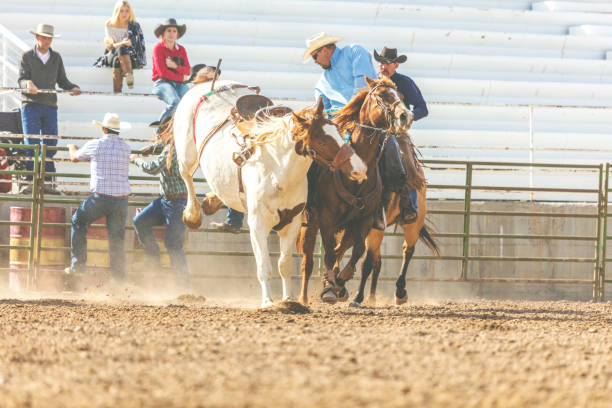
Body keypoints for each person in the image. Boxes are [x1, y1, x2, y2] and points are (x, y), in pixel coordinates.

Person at [302, 32, 411, 224]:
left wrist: (348, 115)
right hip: (338, 127)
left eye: (314, 56)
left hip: (366, 121)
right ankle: (309, 205)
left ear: (325, 50)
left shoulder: (355, 53)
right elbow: (322, 108)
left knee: (391, 149)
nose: (315, 62)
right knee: (312, 155)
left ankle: (399, 202)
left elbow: (362, 88)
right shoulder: (321, 83)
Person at [64, 113, 131, 282]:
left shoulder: (95, 145)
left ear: (103, 129)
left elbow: (74, 157)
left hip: (100, 198)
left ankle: (78, 266)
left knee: (78, 221)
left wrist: (71, 146)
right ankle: (118, 279)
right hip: (121, 199)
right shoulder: (126, 148)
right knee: (117, 239)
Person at [18, 23, 81, 194]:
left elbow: (62, 80)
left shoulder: (56, 58)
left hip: (49, 105)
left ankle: (48, 183)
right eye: (44, 37)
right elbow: (22, 80)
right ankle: (30, 181)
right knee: (32, 143)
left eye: (49, 38)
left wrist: (72, 87)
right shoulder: (27, 56)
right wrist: (28, 84)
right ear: (37, 37)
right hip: (30, 104)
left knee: (50, 143)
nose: (46, 41)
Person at [130, 121, 190, 288]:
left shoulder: (173, 150)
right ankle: (155, 260)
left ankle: (183, 285)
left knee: (173, 244)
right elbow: (161, 151)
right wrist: (151, 149)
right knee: (140, 221)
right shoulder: (174, 147)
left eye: (161, 131)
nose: (158, 134)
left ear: (169, 132)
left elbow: (153, 168)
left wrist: (136, 160)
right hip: (168, 200)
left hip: (176, 203)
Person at [375, 46, 429, 224]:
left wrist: (410, 115)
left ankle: (409, 205)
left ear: (396, 65)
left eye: (388, 64)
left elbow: (422, 107)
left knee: (407, 161)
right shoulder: (372, 82)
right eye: (382, 63)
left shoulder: (404, 82)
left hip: (397, 133)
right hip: (373, 132)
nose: (384, 67)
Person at [94, 0, 146, 93]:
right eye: (121, 11)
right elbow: (110, 46)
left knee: (117, 59)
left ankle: (117, 91)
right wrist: (122, 43)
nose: (124, 13)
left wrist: (129, 43)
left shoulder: (134, 25)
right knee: (120, 48)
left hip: (130, 58)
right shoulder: (109, 24)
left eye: (127, 11)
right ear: (117, 11)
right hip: (111, 54)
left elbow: (137, 44)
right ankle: (129, 74)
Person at [151, 18, 190, 127]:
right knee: (175, 102)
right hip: (162, 83)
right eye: (169, 31)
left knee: (190, 101)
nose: (171, 34)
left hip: (178, 84)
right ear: (163, 33)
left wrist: (176, 66)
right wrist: (182, 78)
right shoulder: (158, 48)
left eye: (174, 31)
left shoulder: (181, 49)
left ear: (177, 34)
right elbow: (162, 73)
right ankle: (158, 131)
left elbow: (187, 70)